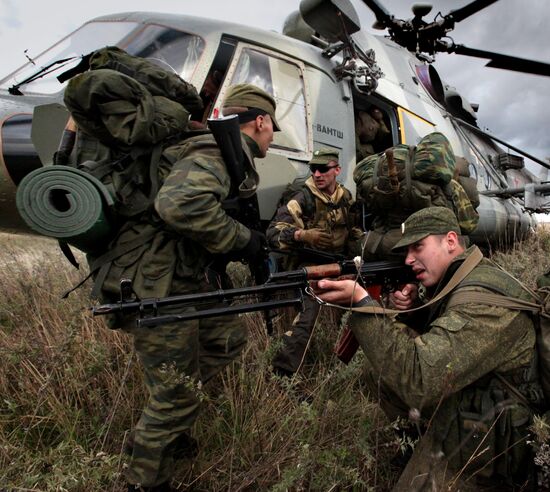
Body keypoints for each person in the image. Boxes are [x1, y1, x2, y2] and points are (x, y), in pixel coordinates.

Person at [95, 83, 279, 491]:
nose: (271, 138)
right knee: (177, 392)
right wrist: (242, 240)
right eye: (272, 129)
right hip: (158, 284)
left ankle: (167, 424)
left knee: (227, 339)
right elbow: (180, 205)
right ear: (261, 121)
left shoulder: (219, 150)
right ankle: (145, 478)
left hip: (180, 277)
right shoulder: (215, 150)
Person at [315, 207, 543, 490]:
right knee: (381, 377)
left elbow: (420, 380)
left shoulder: (484, 304)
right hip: (475, 398)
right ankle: (416, 444)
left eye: (418, 246)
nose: (409, 259)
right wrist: (415, 312)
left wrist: (363, 306)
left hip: (494, 440)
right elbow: (454, 336)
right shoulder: (465, 274)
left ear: (450, 241)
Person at [266, 148, 361, 376]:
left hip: (339, 263)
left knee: (358, 309)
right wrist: (300, 235)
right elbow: (272, 234)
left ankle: (342, 366)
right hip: (308, 266)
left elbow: (353, 229)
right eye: (313, 169)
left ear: (337, 170)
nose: (317, 174)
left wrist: (361, 248)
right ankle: (283, 373)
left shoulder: (345, 197)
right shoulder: (302, 197)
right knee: (306, 318)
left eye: (323, 169)